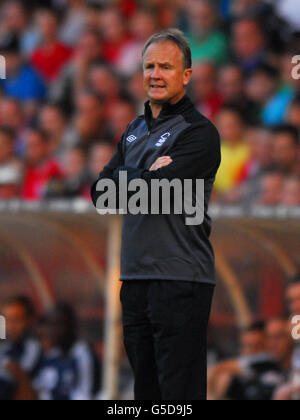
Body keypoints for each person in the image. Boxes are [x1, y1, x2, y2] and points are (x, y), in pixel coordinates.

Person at [91, 28, 221, 400]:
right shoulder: (133, 130)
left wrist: (130, 181)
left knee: (178, 395)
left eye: (166, 66)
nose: (155, 74)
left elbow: (151, 191)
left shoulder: (200, 133)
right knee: (144, 394)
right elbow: (101, 194)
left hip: (180, 278)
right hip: (134, 278)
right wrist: (147, 176)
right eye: (149, 66)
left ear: (187, 75)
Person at [34, 303, 101, 401]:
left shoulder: (83, 352)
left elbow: (85, 392)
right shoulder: (50, 355)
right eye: (51, 325)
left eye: (59, 325)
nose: (54, 331)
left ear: (71, 326)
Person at [208, 322, 283, 400]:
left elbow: (215, 370)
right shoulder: (239, 375)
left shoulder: (268, 363)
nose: (249, 351)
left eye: (257, 346)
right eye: (246, 346)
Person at [0, 296, 42, 400]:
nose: (11, 326)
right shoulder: (6, 348)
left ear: (30, 320)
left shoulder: (35, 347)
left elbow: (22, 375)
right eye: (7, 320)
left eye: (17, 320)